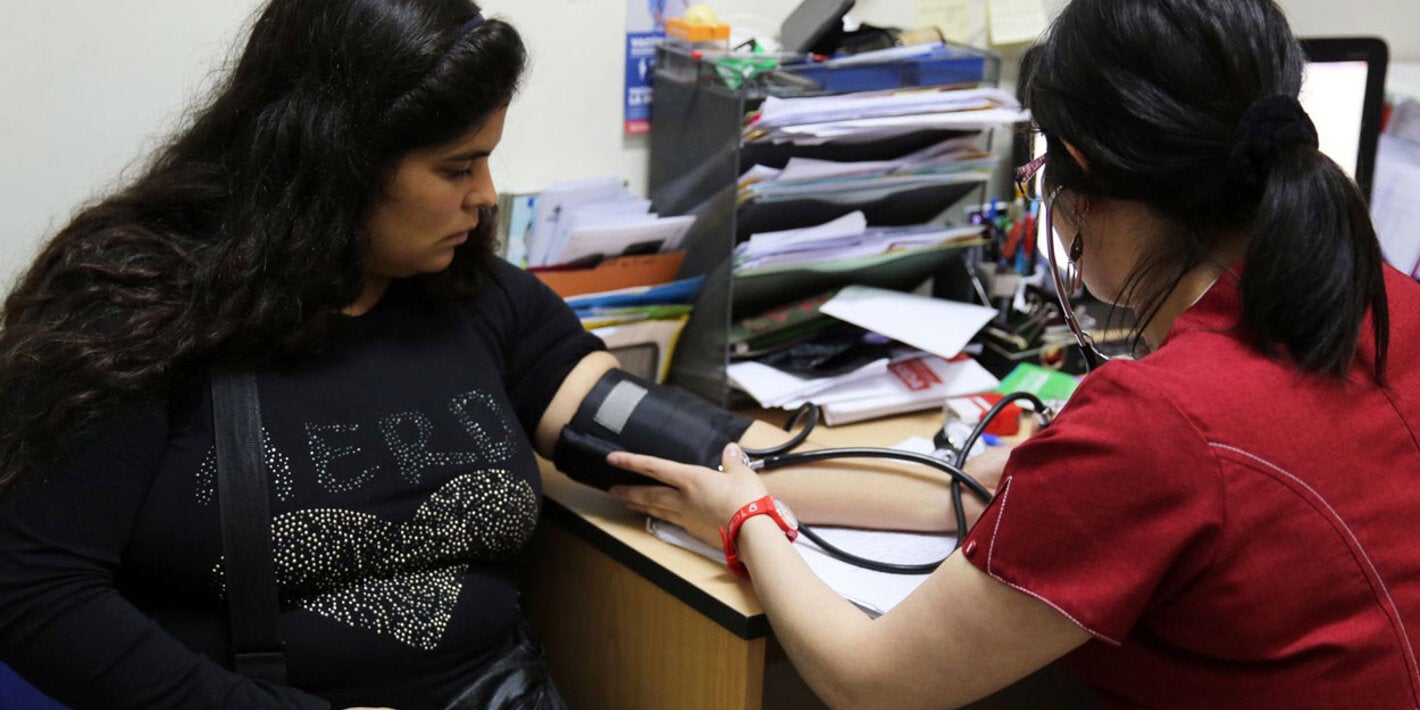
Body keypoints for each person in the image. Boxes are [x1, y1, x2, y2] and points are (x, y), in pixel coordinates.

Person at [609, 0, 1420, 707]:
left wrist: (745, 520)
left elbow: (867, 681)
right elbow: (1011, 499)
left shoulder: (1157, 427)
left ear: (1087, 175)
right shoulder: (1391, 305)